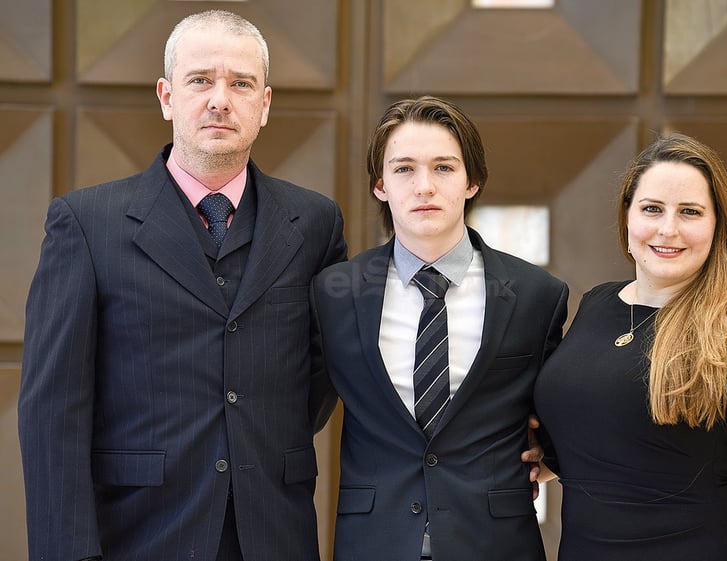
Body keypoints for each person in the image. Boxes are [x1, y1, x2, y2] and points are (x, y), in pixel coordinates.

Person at [18, 10, 346, 561]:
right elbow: (53, 411)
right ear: (167, 96)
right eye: (201, 80)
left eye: (241, 83)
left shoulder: (315, 223)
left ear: (264, 105)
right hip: (138, 534)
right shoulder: (85, 223)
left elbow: (318, 377)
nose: (220, 99)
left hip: (274, 533)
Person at [534, 133, 727, 561]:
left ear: (718, 224)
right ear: (627, 216)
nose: (668, 228)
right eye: (652, 209)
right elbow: (605, 430)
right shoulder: (599, 303)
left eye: (690, 212)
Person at [310, 95, 568, 561]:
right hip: (374, 542)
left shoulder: (536, 294)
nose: (424, 186)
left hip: (495, 543)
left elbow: (567, 416)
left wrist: (549, 461)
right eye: (404, 169)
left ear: (473, 181)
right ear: (380, 185)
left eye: (444, 168)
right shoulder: (334, 293)